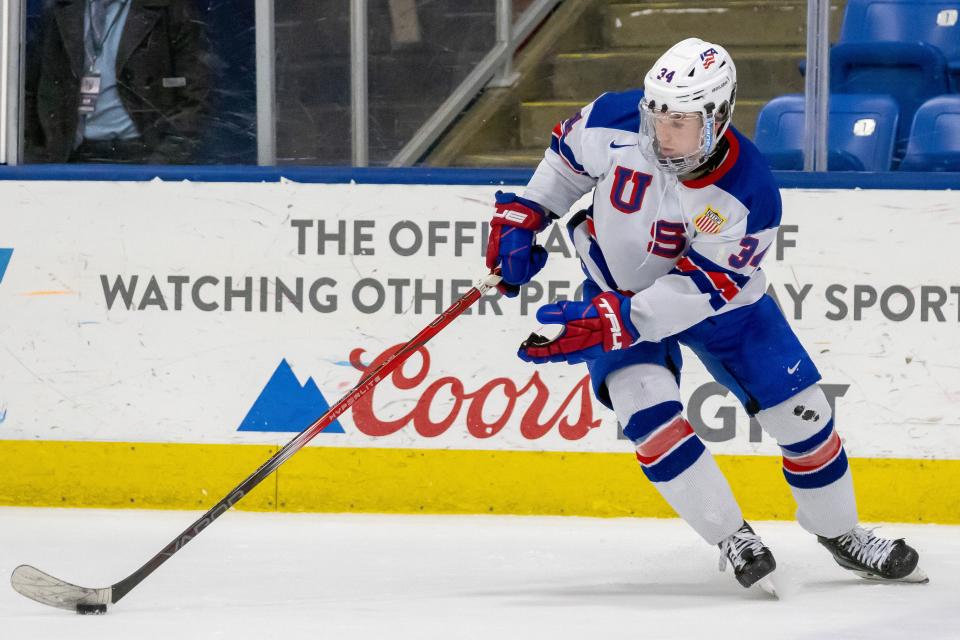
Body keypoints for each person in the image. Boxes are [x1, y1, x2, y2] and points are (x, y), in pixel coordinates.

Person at [485, 37, 927, 590]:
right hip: (612, 290)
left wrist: (613, 322)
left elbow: (703, 288)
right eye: (656, 118)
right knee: (650, 421)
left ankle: (842, 533)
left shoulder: (749, 191)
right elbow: (566, 163)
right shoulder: (615, 117)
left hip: (724, 307)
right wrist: (526, 215)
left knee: (805, 418)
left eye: (680, 123)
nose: (660, 135)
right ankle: (732, 535)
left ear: (717, 117)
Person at [24, 0, 211, 164]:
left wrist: (163, 163)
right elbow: (28, 90)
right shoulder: (58, 9)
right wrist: (38, 157)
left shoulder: (171, 9)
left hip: (145, 158)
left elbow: (197, 96)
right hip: (71, 157)